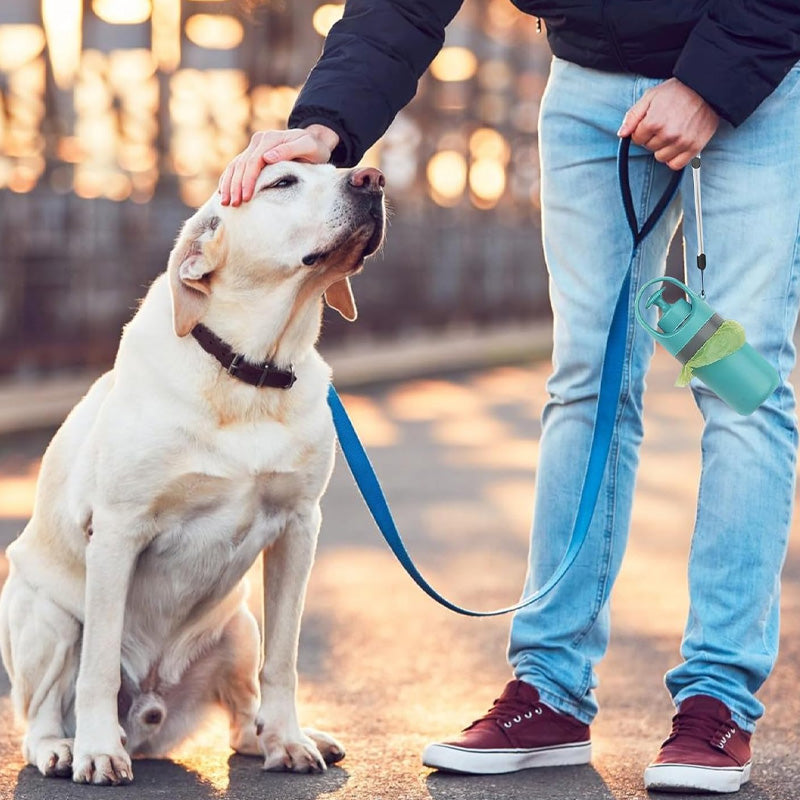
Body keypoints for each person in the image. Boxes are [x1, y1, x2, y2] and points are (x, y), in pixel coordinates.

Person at [219, 1, 800, 793]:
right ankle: (551, 692)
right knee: (583, 384)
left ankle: (716, 702)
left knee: (741, 383)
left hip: (762, 72)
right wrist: (327, 124)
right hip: (591, 81)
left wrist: (708, 83)